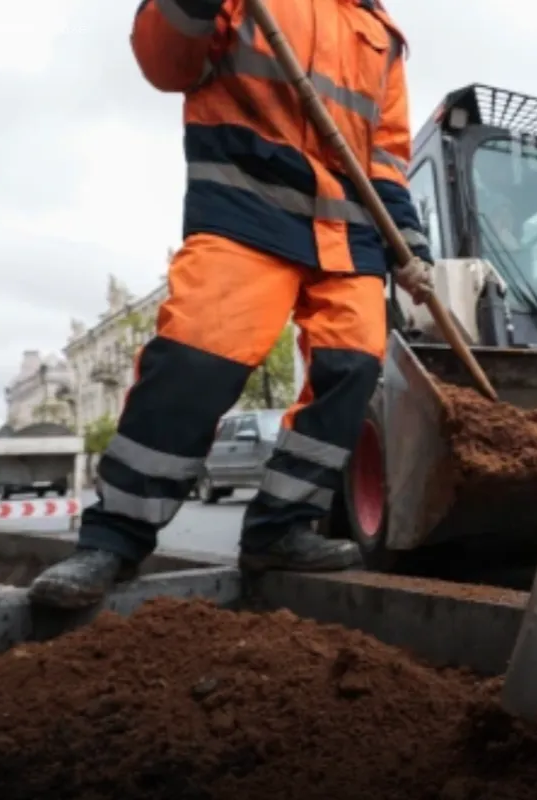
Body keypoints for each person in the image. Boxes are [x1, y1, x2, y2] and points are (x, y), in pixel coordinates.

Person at [28, 0, 435, 609]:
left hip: (350, 236)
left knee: (351, 370)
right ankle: (114, 538)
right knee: (198, 360)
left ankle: (280, 529)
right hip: (248, 206)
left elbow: (386, 155)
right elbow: (166, 63)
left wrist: (410, 245)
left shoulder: (381, 32)